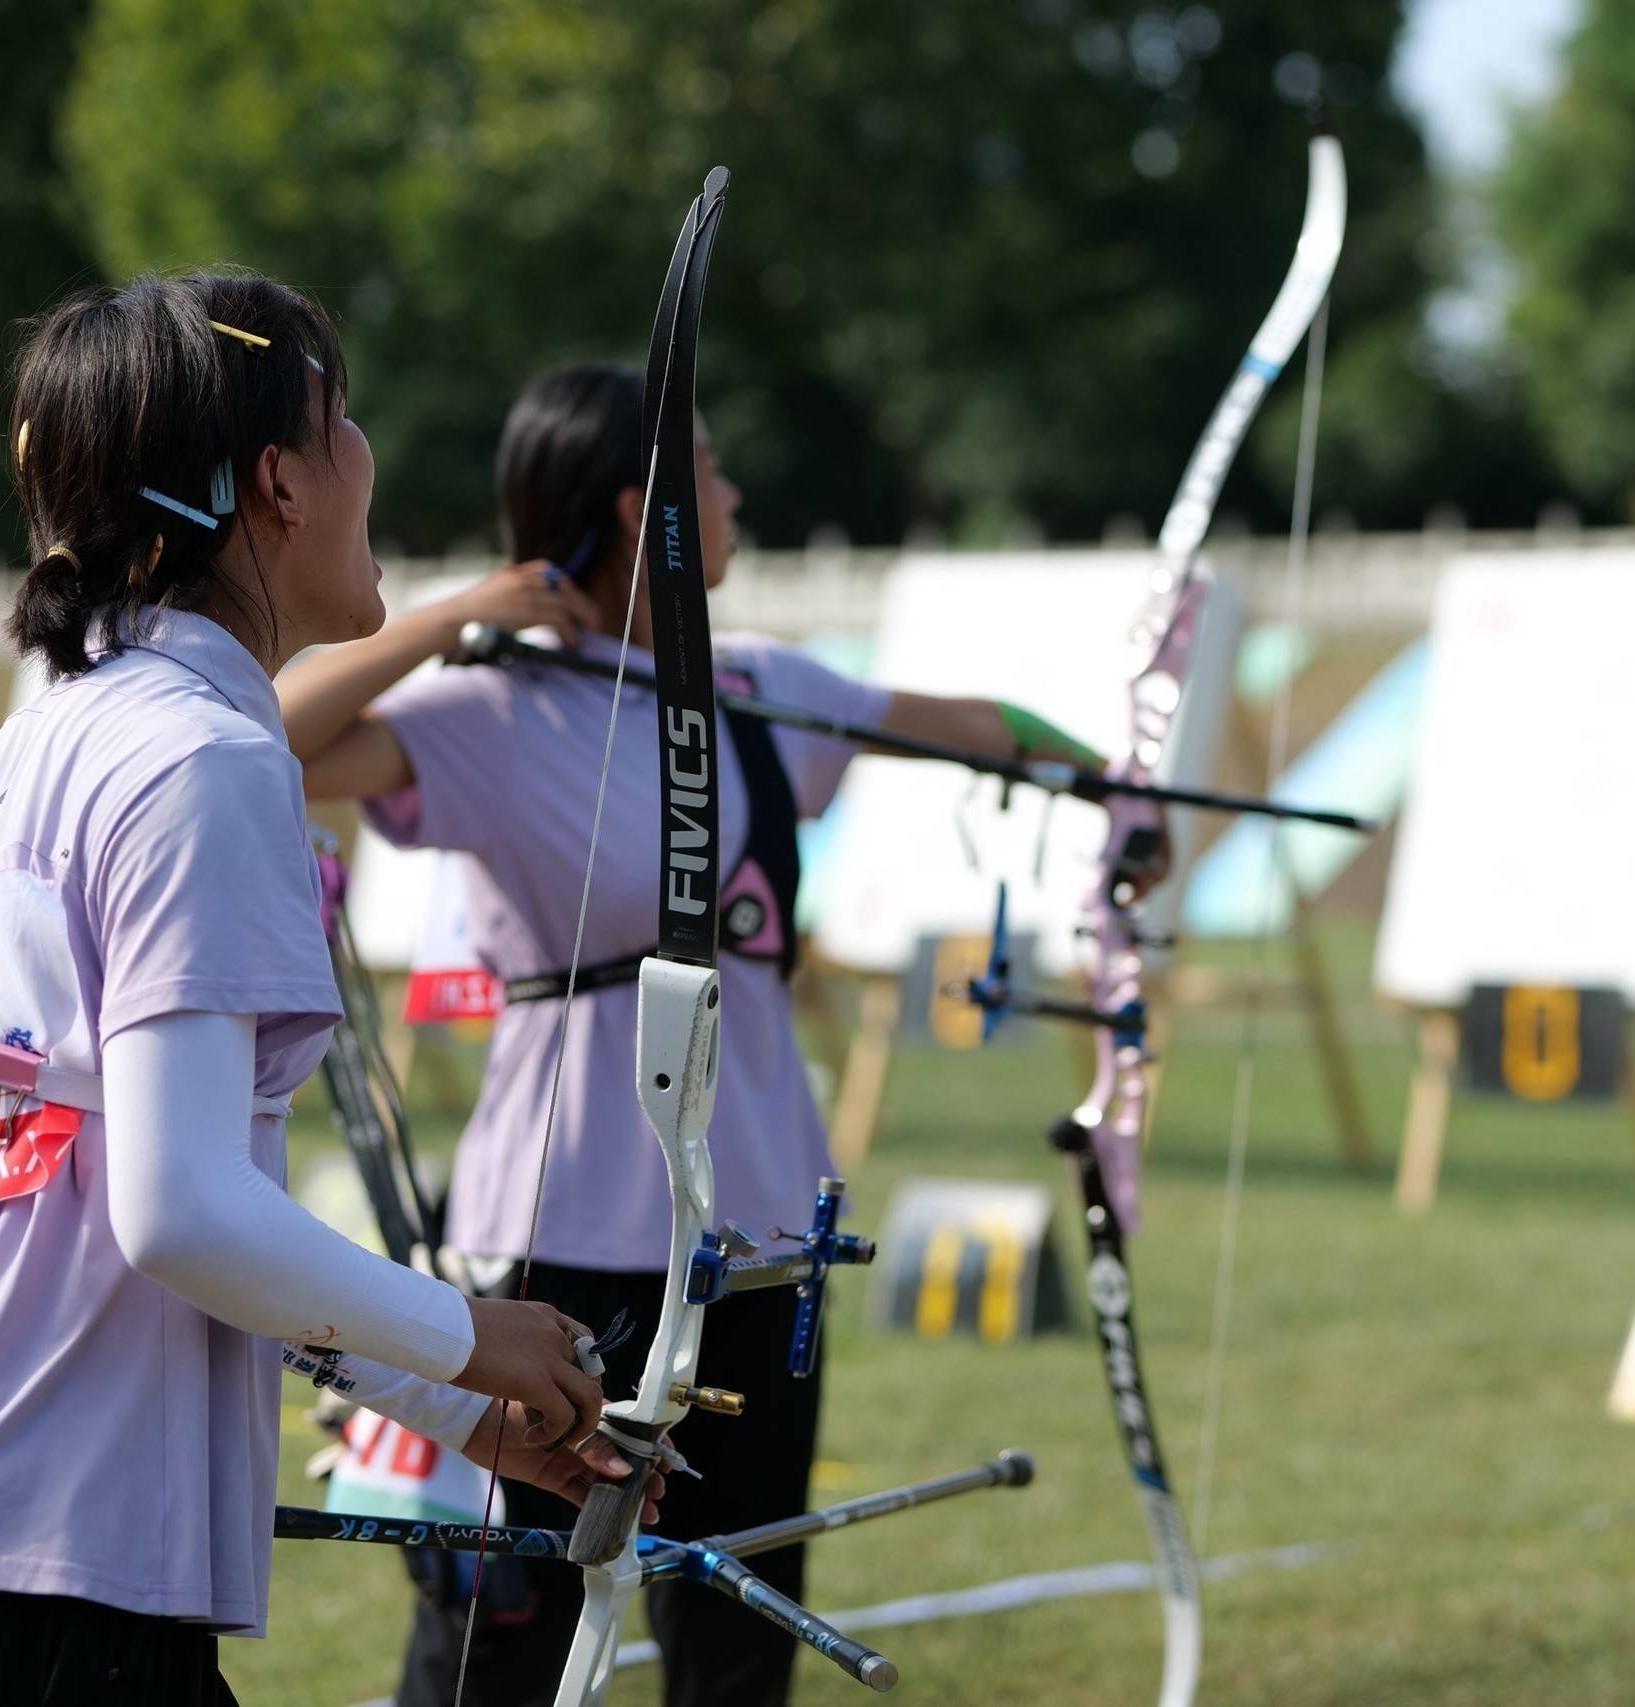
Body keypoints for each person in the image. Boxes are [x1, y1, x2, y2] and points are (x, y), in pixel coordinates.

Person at [0, 276, 656, 1707]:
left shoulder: (38, 754)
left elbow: (156, 1202)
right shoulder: (199, 763)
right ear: (279, 482)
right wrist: (473, 1336)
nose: (368, 460)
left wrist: (446, 1397)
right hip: (46, 1585)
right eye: (341, 424)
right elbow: (179, 1213)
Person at [279, 362, 1126, 1707]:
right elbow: (266, 741)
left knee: (741, 1617)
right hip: (561, 1230)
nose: (733, 495)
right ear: (644, 510)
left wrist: (1119, 785)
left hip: (761, 1228)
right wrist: (450, 622)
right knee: (514, 1615)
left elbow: (973, 730)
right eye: (711, 475)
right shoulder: (494, 707)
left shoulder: (755, 688)